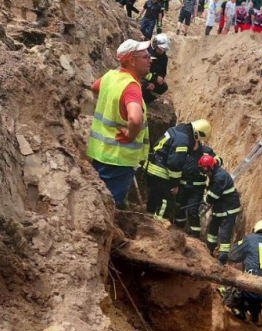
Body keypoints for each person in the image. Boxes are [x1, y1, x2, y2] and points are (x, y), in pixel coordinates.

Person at [87, 40, 151, 208]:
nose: (150, 60)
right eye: (145, 56)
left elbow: (94, 87)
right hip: (118, 158)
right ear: (132, 60)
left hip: (100, 152)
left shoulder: (111, 76)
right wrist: (131, 134)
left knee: (100, 200)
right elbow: (135, 119)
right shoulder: (131, 87)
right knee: (110, 205)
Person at [146, 119, 212, 224]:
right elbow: (174, 164)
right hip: (161, 171)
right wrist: (175, 184)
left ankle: (147, 221)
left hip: (152, 166)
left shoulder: (177, 129)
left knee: (154, 197)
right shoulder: (183, 140)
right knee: (167, 201)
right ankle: (158, 227)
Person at [218, 219, 262, 326]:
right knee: (256, 280)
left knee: (230, 288)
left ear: (255, 230)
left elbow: (232, 255)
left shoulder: (251, 239)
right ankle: (256, 315)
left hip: (254, 290)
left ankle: (240, 311)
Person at [197, 155, 241, 265]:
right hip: (220, 207)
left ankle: (222, 259)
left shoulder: (220, 178)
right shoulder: (214, 174)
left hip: (228, 209)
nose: (203, 172)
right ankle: (209, 250)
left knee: (224, 234)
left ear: (210, 167)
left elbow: (212, 196)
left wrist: (204, 200)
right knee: (212, 230)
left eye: (204, 169)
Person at [175, 146, 222, 239]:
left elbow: (219, 160)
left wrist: (213, 161)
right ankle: (177, 229)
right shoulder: (184, 149)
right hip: (182, 186)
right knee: (179, 208)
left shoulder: (206, 151)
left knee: (192, 211)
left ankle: (195, 235)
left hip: (197, 188)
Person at [141, 34, 170, 104]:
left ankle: (145, 101)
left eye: (164, 49)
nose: (162, 51)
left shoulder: (164, 58)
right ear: (155, 45)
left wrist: (154, 84)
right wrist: (154, 79)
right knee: (144, 84)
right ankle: (137, 98)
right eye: (161, 49)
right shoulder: (145, 52)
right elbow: (141, 71)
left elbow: (162, 73)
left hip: (152, 80)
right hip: (141, 77)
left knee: (164, 87)